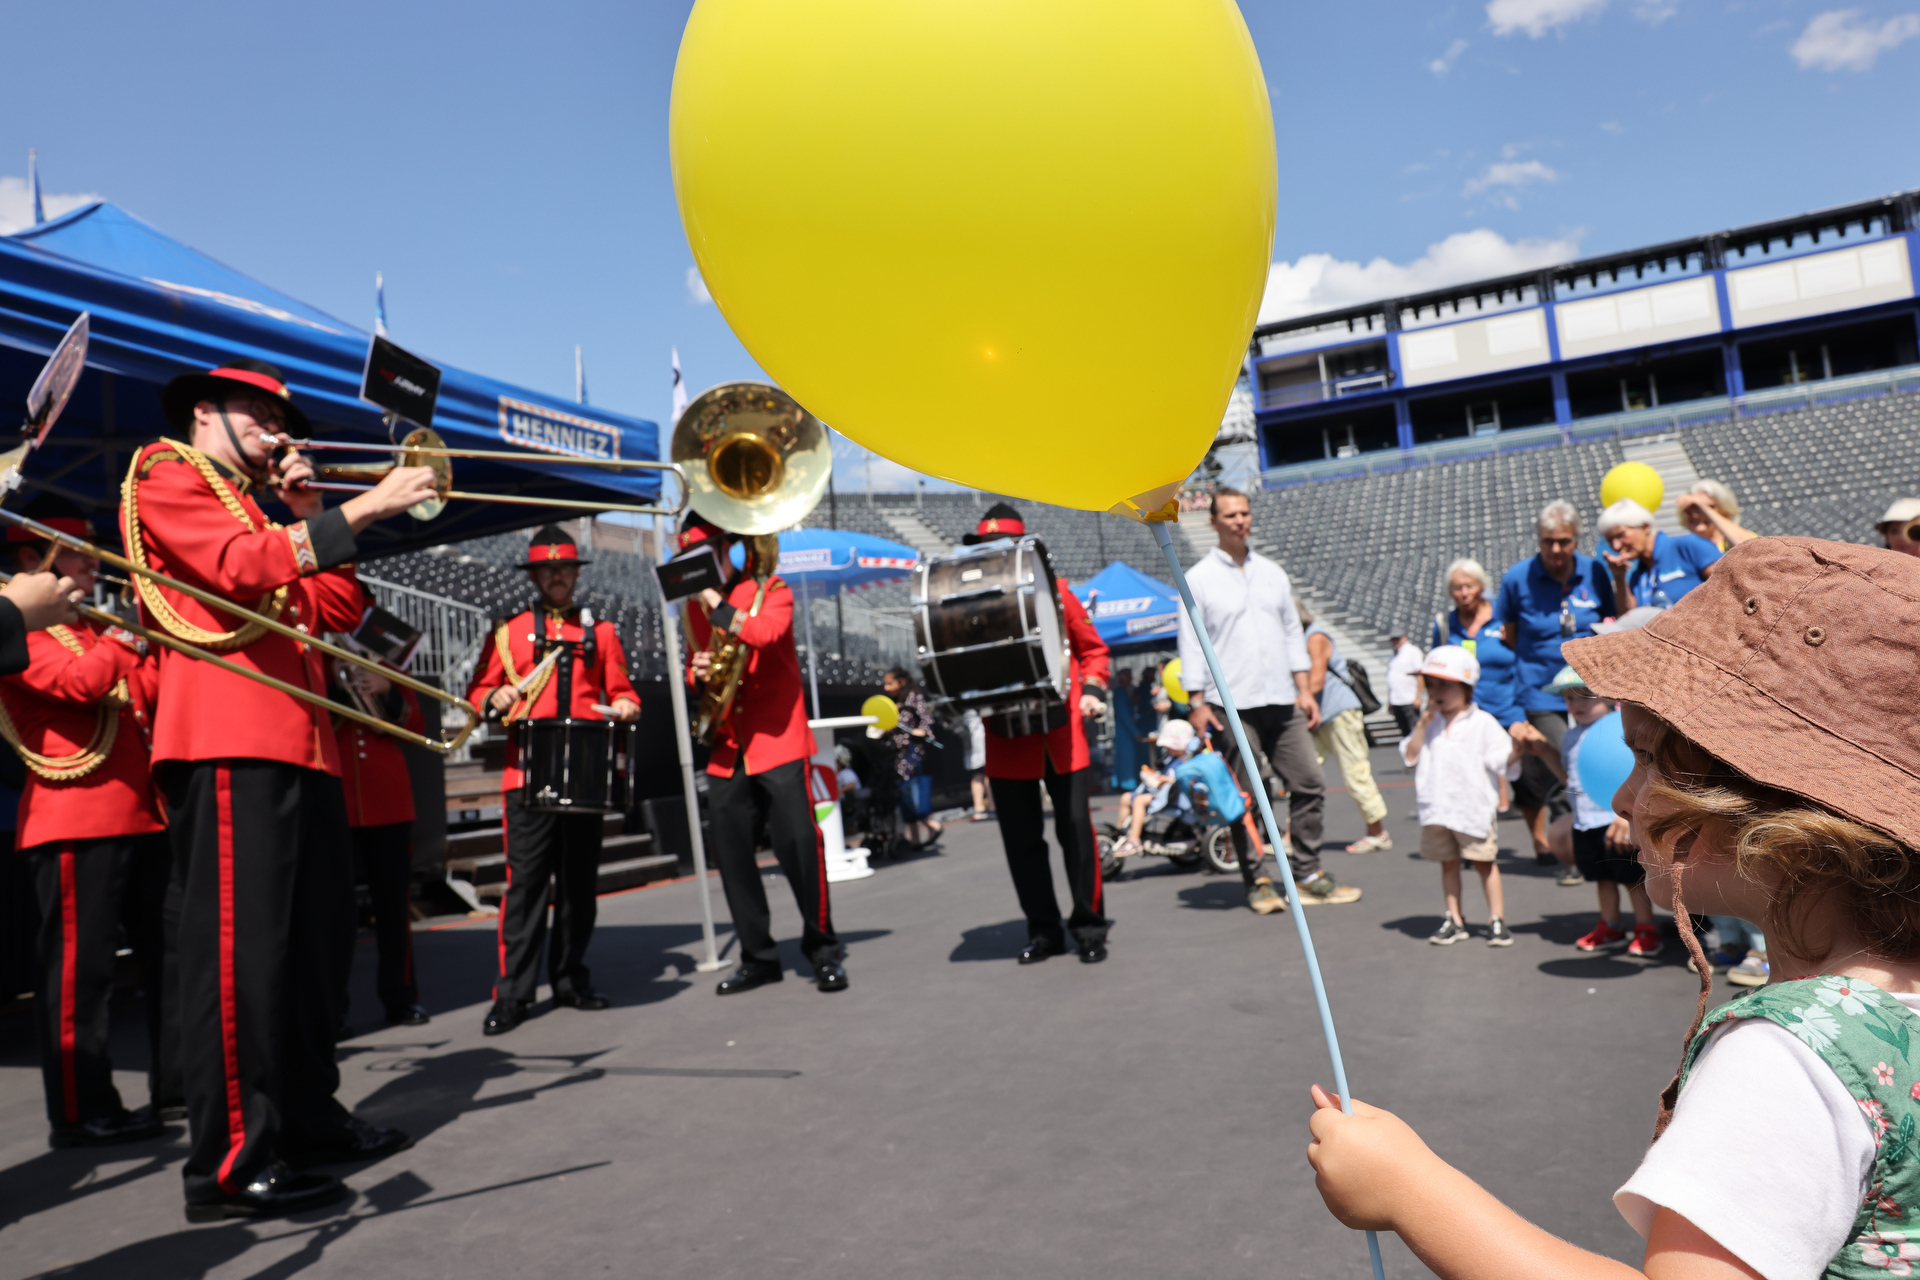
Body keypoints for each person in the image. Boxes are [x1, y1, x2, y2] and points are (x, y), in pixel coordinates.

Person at [1306, 535, 1920, 1280]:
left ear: (1774, 810)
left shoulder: (1791, 1062)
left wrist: (1409, 1191)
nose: (1623, 796)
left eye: (1650, 758)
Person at [132, 358, 434, 1221]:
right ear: (204, 414)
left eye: (278, 417)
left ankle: (305, 1117)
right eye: (258, 415)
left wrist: (310, 512)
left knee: (311, 953)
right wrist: (362, 506)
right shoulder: (165, 470)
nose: (276, 431)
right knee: (242, 960)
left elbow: (336, 609)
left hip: (301, 746)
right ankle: (229, 1162)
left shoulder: (258, 508)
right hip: (229, 741)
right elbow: (233, 569)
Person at [0, 500, 172, 1148]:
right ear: (30, 560)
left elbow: (141, 695)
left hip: (140, 813)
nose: (92, 561)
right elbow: (79, 685)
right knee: (80, 978)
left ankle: (177, 1085)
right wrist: (133, 635)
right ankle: (79, 1112)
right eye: (75, 550)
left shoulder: (95, 626)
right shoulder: (26, 630)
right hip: (73, 818)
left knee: (170, 960)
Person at [467, 525, 641, 1034]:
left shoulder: (602, 632)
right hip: (526, 777)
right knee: (525, 889)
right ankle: (513, 994)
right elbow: (479, 691)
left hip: (585, 775)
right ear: (536, 575)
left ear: (575, 573)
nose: (558, 576)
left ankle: (570, 979)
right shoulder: (508, 631)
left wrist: (629, 704)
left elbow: (624, 690)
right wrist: (492, 699)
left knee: (579, 888)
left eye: (565, 568)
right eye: (548, 569)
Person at [681, 516, 846, 995]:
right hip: (727, 745)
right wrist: (699, 672)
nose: (696, 567)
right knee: (733, 857)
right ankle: (759, 957)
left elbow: (766, 635)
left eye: (702, 556)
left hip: (777, 738)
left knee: (798, 846)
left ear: (722, 551)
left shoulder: (769, 588)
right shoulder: (693, 611)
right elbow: (699, 672)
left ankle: (823, 948)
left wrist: (715, 601)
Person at [1177, 488, 1360, 912]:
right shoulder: (1198, 578)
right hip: (1231, 704)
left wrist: (1303, 689)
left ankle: (1308, 870)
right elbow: (1190, 641)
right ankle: (1257, 876)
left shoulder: (1273, 573)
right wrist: (1196, 701)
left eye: (1244, 512)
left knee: (1309, 782)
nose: (1240, 520)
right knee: (1247, 794)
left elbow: (1293, 634)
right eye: (1230, 514)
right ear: (1214, 522)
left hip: (1282, 698)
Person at [965, 503, 1115, 964]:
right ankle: (1044, 931)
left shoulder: (1057, 592)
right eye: (984, 549)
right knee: (1021, 842)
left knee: (1076, 834)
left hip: (1061, 735)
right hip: (1007, 741)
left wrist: (1091, 691)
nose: (991, 555)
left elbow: (1095, 652)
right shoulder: (968, 607)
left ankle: (1089, 927)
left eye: (1000, 547)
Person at [1495, 499, 1616, 872]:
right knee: (1565, 759)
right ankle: (1576, 850)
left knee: (1596, 757)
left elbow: (1611, 619)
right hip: (1542, 690)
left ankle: (1605, 839)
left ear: (1576, 539)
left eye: (1564, 541)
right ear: (1539, 541)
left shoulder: (1595, 572)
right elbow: (1511, 635)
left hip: (1591, 690)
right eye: (1549, 542)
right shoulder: (1518, 578)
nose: (1557, 550)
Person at [1521, 664, 1660, 958]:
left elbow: (1631, 776)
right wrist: (1545, 751)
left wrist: (1626, 816)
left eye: (1585, 695)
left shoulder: (1620, 730)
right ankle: (1610, 925)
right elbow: (1571, 780)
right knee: (1601, 877)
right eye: (1569, 699)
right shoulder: (1570, 738)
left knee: (1631, 878)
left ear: (1609, 697)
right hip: (1585, 822)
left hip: (1615, 820)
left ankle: (1646, 928)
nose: (1576, 704)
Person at [331, 657, 429, 1027]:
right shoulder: (317, 661)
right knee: (334, 916)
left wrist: (386, 689)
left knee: (393, 912)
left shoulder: (388, 668)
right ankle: (332, 1007)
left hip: (388, 802)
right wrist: (338, 687)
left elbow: (415, 725)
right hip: (337, 801)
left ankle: (402, 999)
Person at [1398, 646, 1517, 948]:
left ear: (1466, 687)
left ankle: (1497, 919)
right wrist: (1424, 722)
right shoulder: (1430, 723)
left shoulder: (1482, 722)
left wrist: (1519, 749)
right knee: (1448, 863)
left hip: (1472, 808)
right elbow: (1410, 756)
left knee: (1484, 862)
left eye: (1445, 685)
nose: (1436, 692)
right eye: (1432, 684)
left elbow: (1502, 759)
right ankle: (1454, 918)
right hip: (1438, 808)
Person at [1299, 604, 1389, 853]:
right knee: (1301, 774)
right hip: (1317, 717)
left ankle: (1378, 833)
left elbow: (1316, 681)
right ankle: (1291, 835)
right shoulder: (1294, 641)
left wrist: (1294, 706)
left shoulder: (1314, 637)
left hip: (1339, 713)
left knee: (1355, 772)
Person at [1597, 497, 1722, 611]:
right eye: (1610, 541)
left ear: (1645, 526)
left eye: (1621, 535)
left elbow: (1729, 585)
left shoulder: (1688, 545)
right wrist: (1619, 576)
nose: (1616, 546)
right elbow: (1629, 619)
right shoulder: (1637, 575)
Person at [880, 666, 941, 847]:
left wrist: (922, 731)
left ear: (901, 682)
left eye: (890, 683)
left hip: (911, 754)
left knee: (909, 792)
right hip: (896, 754)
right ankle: (915, 838)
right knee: (903, 792)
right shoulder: (892, 701)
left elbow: (926, 718)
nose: (886, 688)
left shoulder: (913, 697)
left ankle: (931, 825)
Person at [1676, 479, 1757, 550]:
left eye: (1708, 507)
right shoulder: (1683, 548)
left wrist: (1703, 507)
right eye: (1691, 508)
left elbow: (1752, 549)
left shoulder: (1735, 541)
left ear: (1725, 512)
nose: (1696, 514)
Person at [1384, 629, 1424, 741]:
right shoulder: (1393, 655)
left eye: (1397, 638)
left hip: (1409, 699)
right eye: (1393, 639)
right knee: (1405, 733)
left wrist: (1418, 696)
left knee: (1415, 731)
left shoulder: (1412, 651)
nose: (1395, 641)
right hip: (1397, 699)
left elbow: (1420, 675)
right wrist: (1390, 701)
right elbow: (1392, 679)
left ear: (1405, 638)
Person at [962, 707, 991, 821]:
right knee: (985, 772)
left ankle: (979, 808)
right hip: (978, 734)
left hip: (970, 735)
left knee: (978, 774)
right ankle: (992, 806)